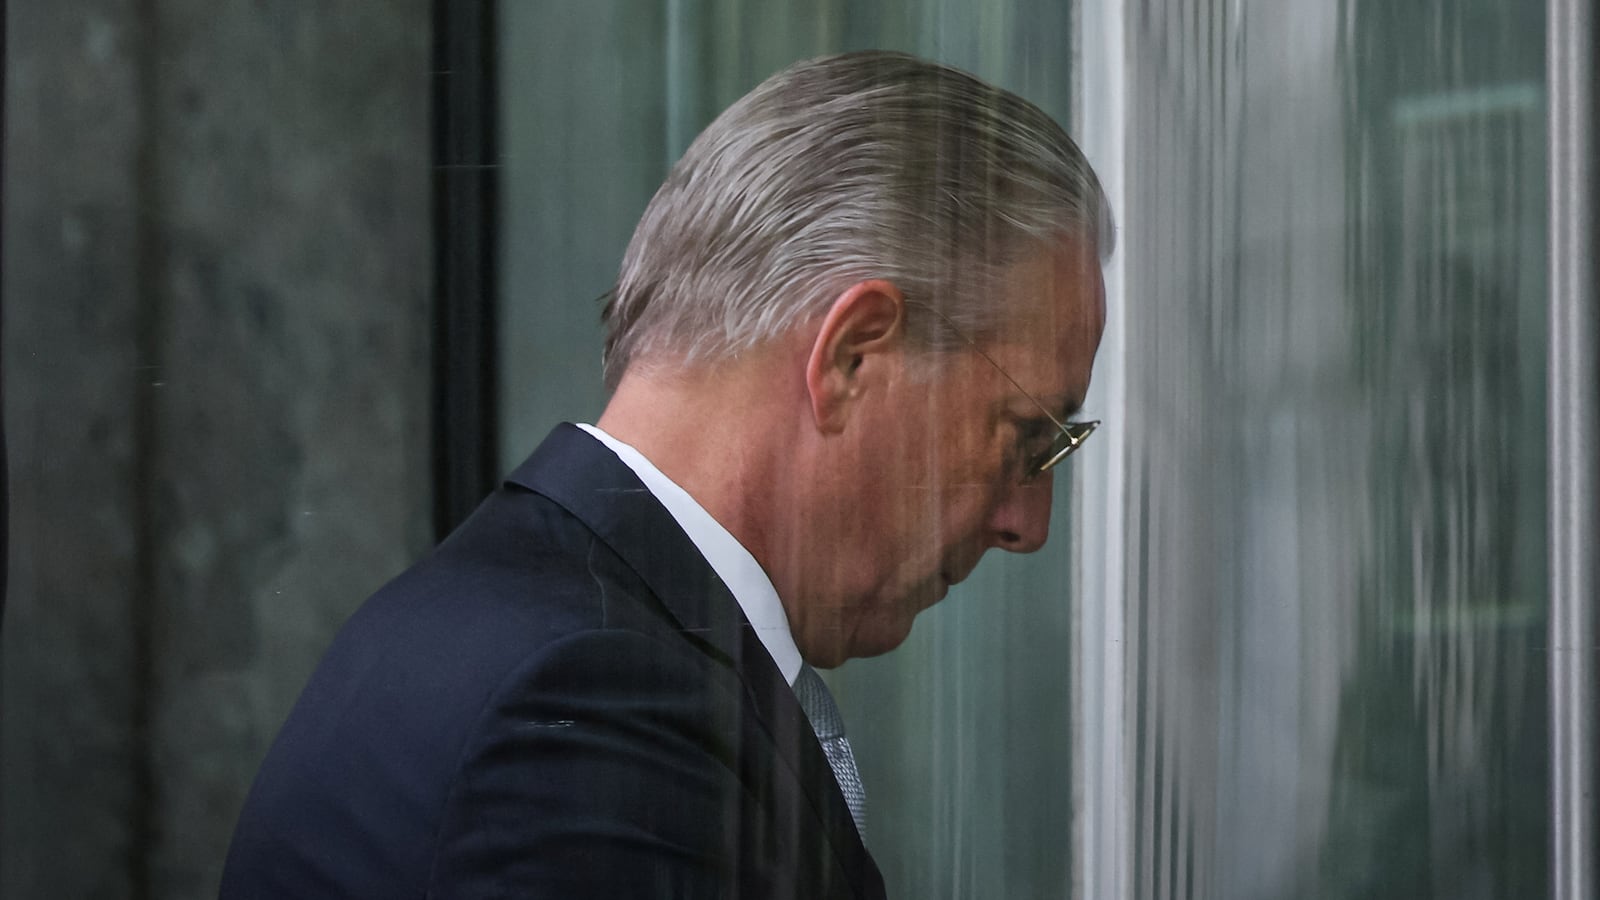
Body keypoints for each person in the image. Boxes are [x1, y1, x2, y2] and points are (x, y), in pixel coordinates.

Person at [220, 49, 1112, 899]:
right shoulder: (588, 700)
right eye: (1027, 437)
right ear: (852, 357)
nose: (1027, 524)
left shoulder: (512, 625)